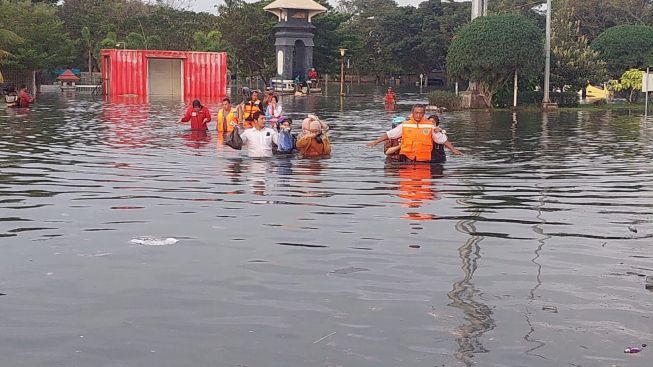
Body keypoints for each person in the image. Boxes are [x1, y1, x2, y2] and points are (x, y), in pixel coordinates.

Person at [367, 104, 447, 162]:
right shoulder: (392, 137)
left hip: (421, 160)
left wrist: (440, 131)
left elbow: (440, 138)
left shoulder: (426, 129)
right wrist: (375, 142)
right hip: (398, 161)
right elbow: (387, 151)